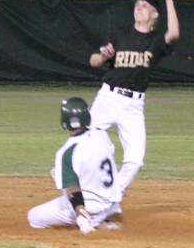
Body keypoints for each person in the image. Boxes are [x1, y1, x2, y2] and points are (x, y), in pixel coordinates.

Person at [88, 0, 180, 194]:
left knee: (135, 160)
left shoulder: (156, 40)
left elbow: (173, 34)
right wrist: (102, 57)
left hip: (133, 106)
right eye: (137, 4)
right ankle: (71, 175)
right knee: (85, 140)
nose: (139, 7)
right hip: (108, 98)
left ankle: (111, 196)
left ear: (155, 15)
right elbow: (93, 61)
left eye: (145, 6)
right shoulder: (119, 34)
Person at [28, 97, 123, 233]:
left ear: (64, 122)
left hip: (90, 206)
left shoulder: (67, 152)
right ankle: (105, 218)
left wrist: (81, 214)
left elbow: (73, 189)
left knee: (34, 217)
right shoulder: (102, 134)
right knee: (76, 173)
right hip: (112, 204)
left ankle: (93, 220)